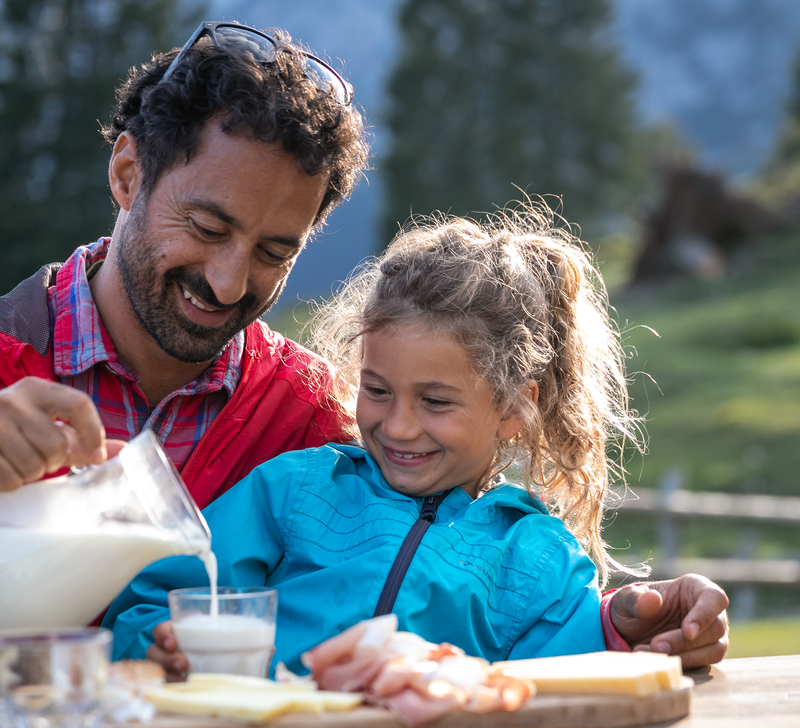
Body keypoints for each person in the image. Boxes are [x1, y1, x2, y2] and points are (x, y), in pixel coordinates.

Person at [0, 21, 728, 664]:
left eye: (273, 252)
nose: (228, 282)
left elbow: (547, 644)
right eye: (208, 228)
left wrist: (633, 621)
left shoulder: (316, 418)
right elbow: (156, 606)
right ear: (127, 174)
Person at [104, 204, 727, 677]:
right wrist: (163, 643)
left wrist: (625, 624)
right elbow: (160, 595)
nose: (397, 426)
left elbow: (564, 673)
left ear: (514, 408)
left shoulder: (535, 556)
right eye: (376, 390)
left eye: (434, 402)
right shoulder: (294, 489)